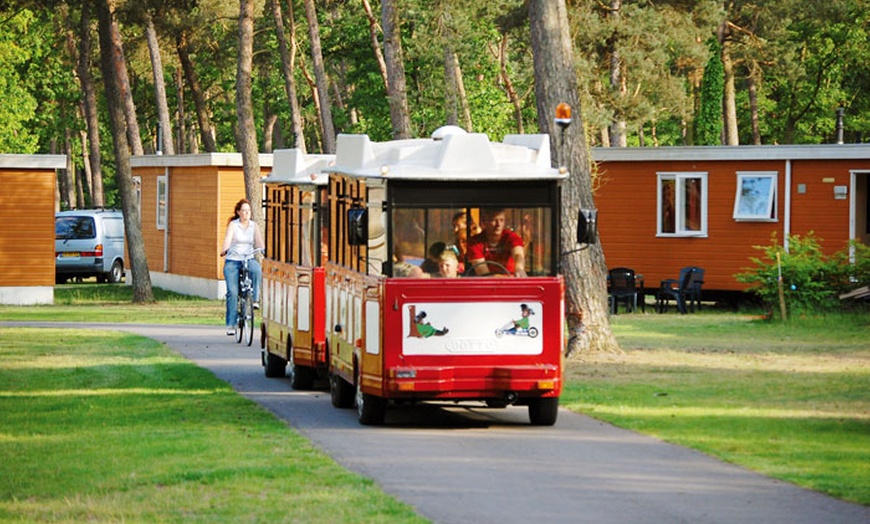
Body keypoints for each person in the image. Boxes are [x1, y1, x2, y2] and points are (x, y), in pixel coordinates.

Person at [220, 199, 265, 335]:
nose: (246, 213)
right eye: (244, 210)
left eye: (248, 211)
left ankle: (255, 299)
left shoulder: (253, 226)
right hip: (233, 259)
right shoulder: (233, 225)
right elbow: (228, 239)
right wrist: (225, 250)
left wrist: (263, 250)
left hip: (248, 257)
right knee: (232, 292)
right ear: (238, 212)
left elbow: (258, 242)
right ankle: (231, 324)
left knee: (256, 270)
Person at [466, 208, 526, 277]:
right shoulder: (474, 242)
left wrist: (519, 269)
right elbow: (483, 273)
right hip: (487, 285)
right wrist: (505, 279)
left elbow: (518, 254)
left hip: (513, 282)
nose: (498, 224)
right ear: (484, 222)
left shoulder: (512, 237)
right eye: (493, 220)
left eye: (501, 220)